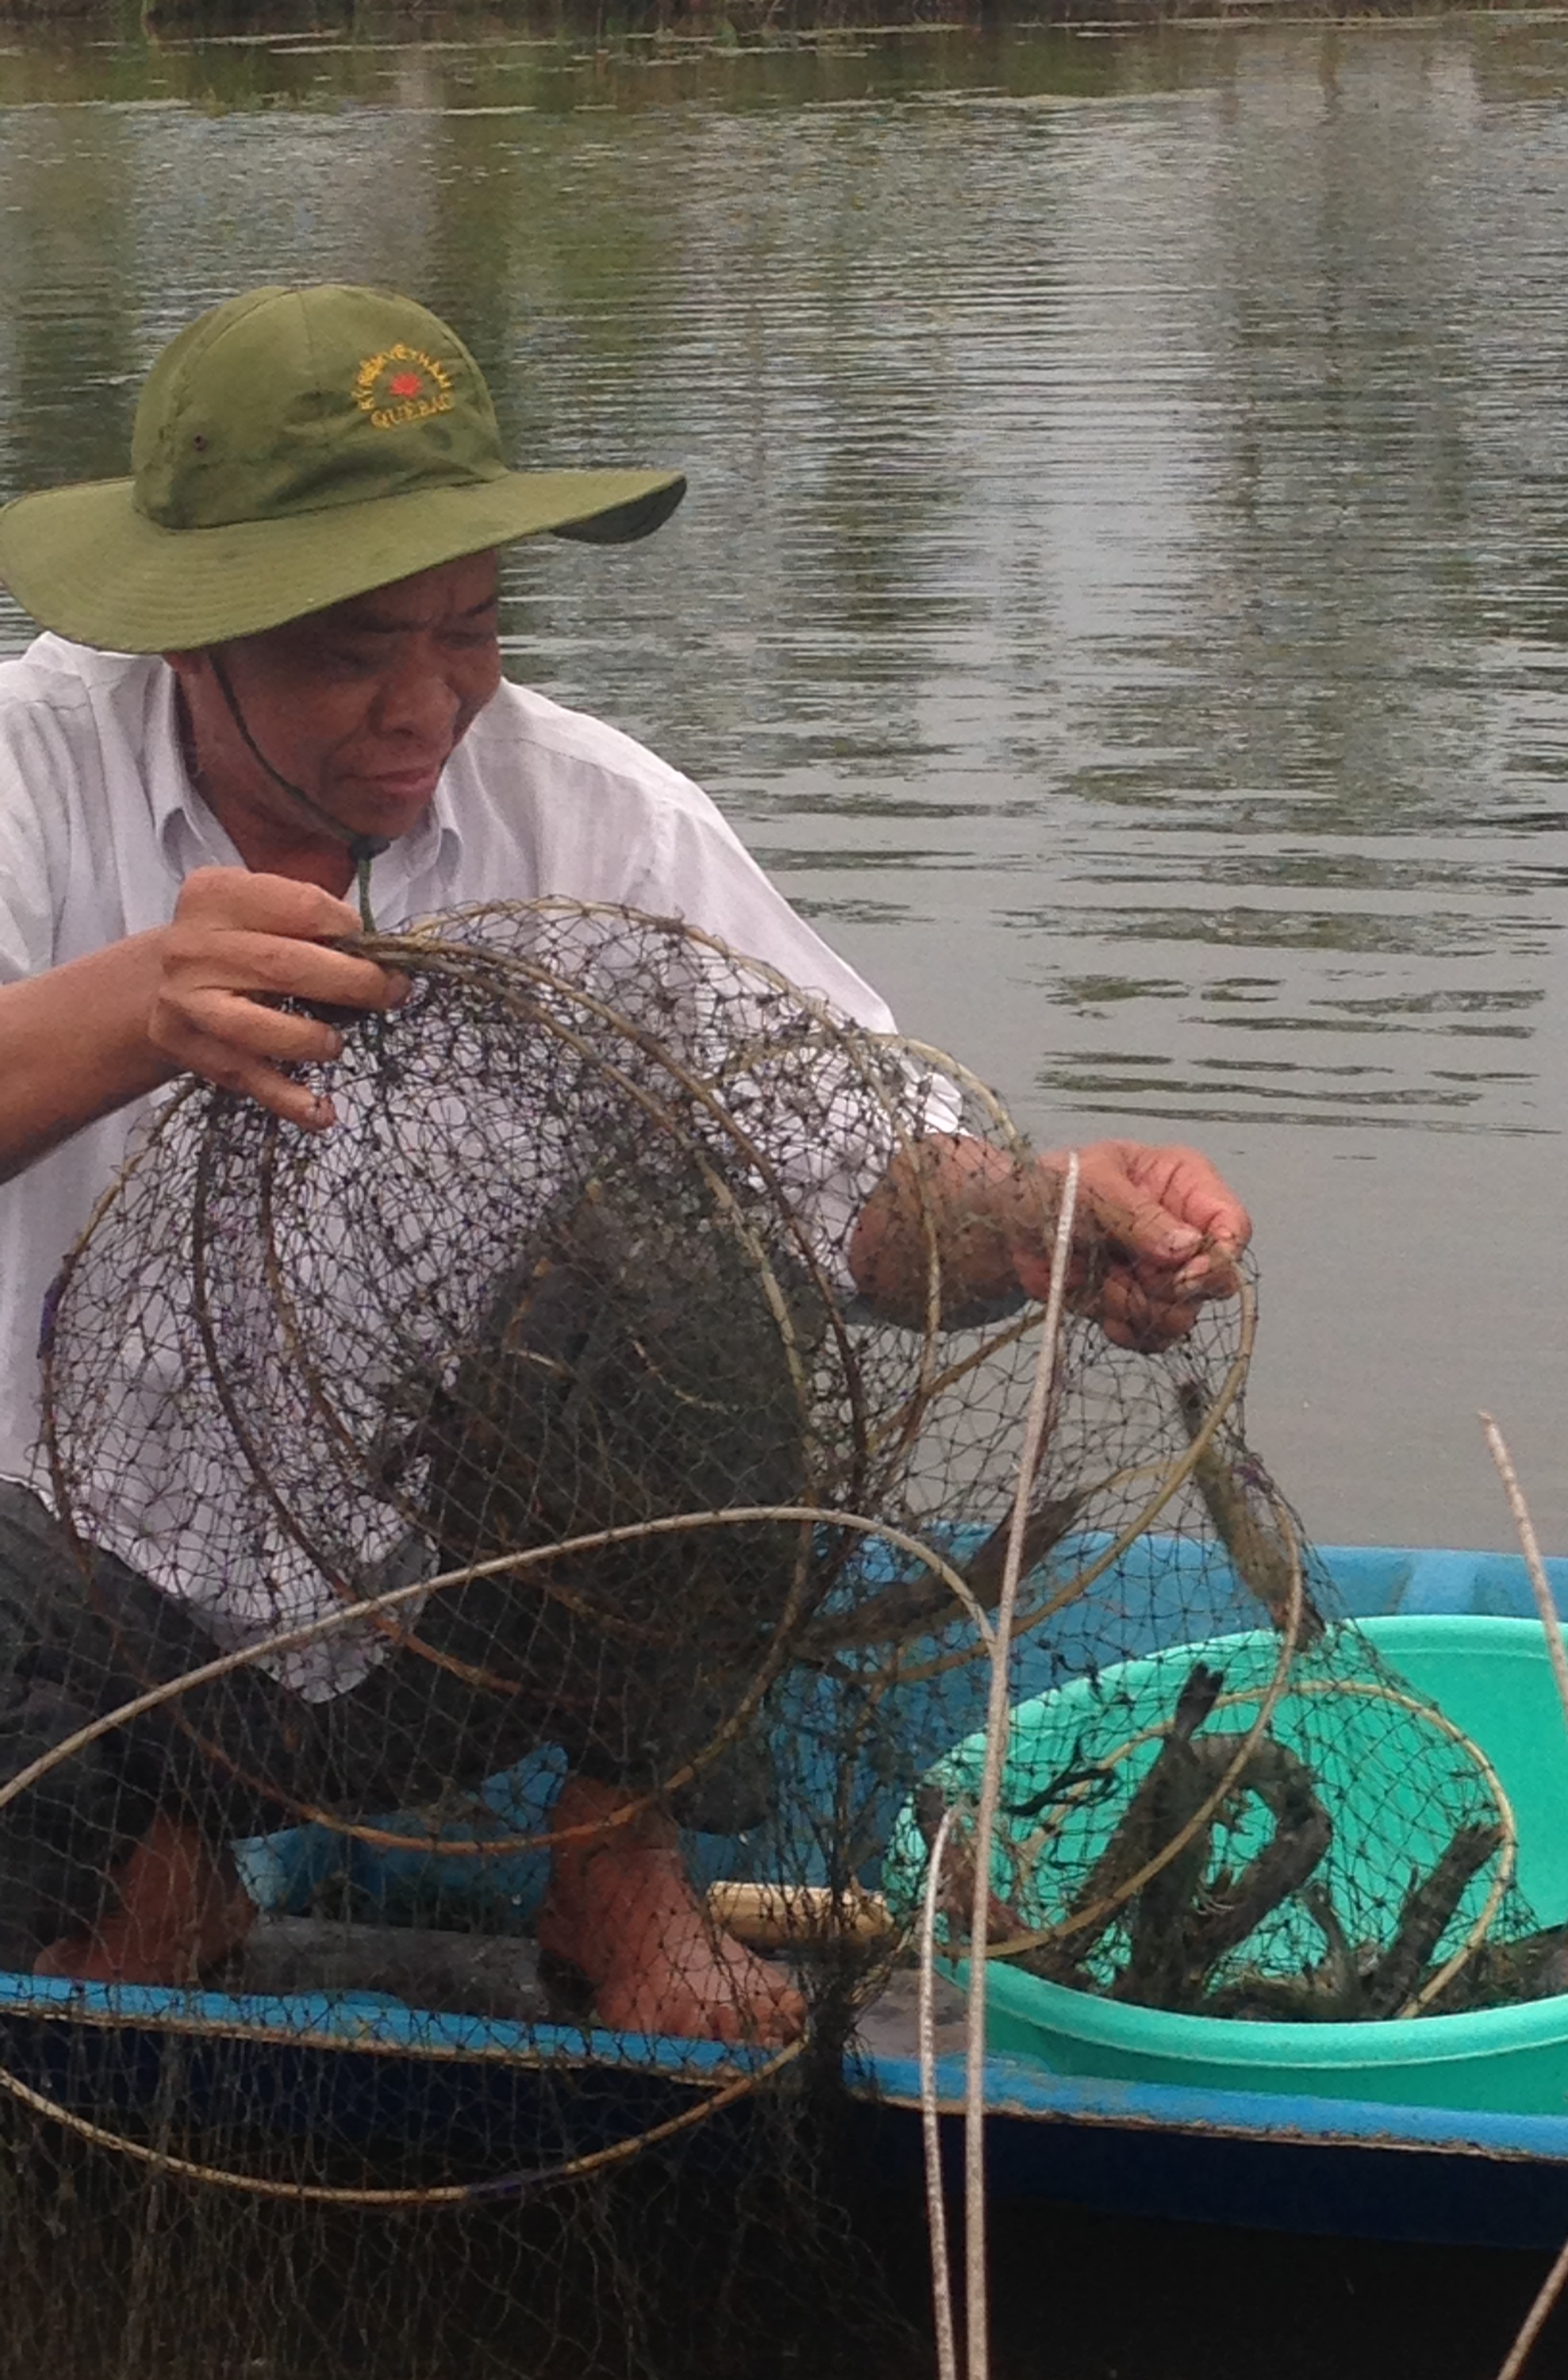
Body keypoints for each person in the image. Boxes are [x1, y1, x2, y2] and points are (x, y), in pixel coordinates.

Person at [0, 282, 1252, 2047]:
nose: (422, 704)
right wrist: (136, 1004)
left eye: (471, 630)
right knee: (75, 1896)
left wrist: (1043, 1220)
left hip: (444, 1636)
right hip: (62, 1610)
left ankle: (616, 1868)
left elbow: (853, 1182)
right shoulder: (26, 780)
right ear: (197, 636)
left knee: (695, 1265)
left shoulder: (596, 818)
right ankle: (142, 1864)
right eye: (355, 649)